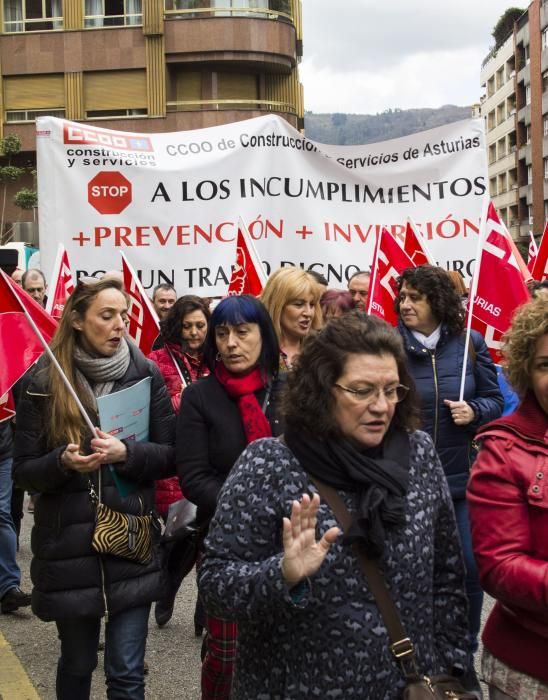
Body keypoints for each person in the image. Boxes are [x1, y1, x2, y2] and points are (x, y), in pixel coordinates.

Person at [198, 313, 470, 699]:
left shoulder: (419, 454)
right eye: (362, 391)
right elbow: (215, 586)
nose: (381, 406)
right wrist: (282, 574)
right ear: (322, 390)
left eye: (392, 390)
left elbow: (446, 576)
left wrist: (453, 668)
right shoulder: (269, 463)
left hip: (408, 686)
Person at [12, 277, 175, 700]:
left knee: (125, 671)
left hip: (130, 541)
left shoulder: (146, 374)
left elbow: (172, 454)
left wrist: (127, 454)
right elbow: (24, 472)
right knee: (78, 664)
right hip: (70, 548)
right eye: (107, 315)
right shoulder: (43, 382)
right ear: (78, 320)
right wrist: (61, 463)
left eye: (123, 314)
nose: (120, 324)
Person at [395, 265, 504, 697]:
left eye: (415, 297)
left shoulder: (470, 345)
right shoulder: (388, 346)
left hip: (460, 483)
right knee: (413, 574)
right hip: (407, 484)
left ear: (438, 302)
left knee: (470, 570)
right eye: (402, 296)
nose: (405, 304)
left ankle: (462, 659)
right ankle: (414, 660)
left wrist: (474, 411)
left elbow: (496, 400)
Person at [176, 294, 283, 700]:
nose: (231, 343)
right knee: (226, 655)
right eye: (222, 334)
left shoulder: (289, 390)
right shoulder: (200, 397)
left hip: (288, 537)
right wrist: (250, 509)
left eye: (242, 332)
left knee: (279, 642)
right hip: (224, 540)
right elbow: (194, 477)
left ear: (264, 336)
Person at [468, 297, 548, 700]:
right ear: (526, 372)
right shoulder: (503, 449)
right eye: (546, 365)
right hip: (533, 665)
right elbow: (500, 565)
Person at [148, 294, 210, 628]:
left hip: (210, 459)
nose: (195, 333)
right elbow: (152, 410)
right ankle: (168, 585)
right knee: (180, 535)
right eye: (187, 326)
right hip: (174, 460)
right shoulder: (158, 360)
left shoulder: (216, 359)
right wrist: (181, 399)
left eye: (200, 325)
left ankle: (205, 608)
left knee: (208, 537)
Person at [0, 406, 31, 614]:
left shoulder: (6, 375)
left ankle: (9, 586)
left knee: (1, 513)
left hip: (3, 452)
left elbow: (24, 407)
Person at [261, 266, 322, 370]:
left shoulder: (322, 352)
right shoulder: (256, 352)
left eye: (312, 305)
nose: (308, 313)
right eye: (299, 304)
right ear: (277, 306)